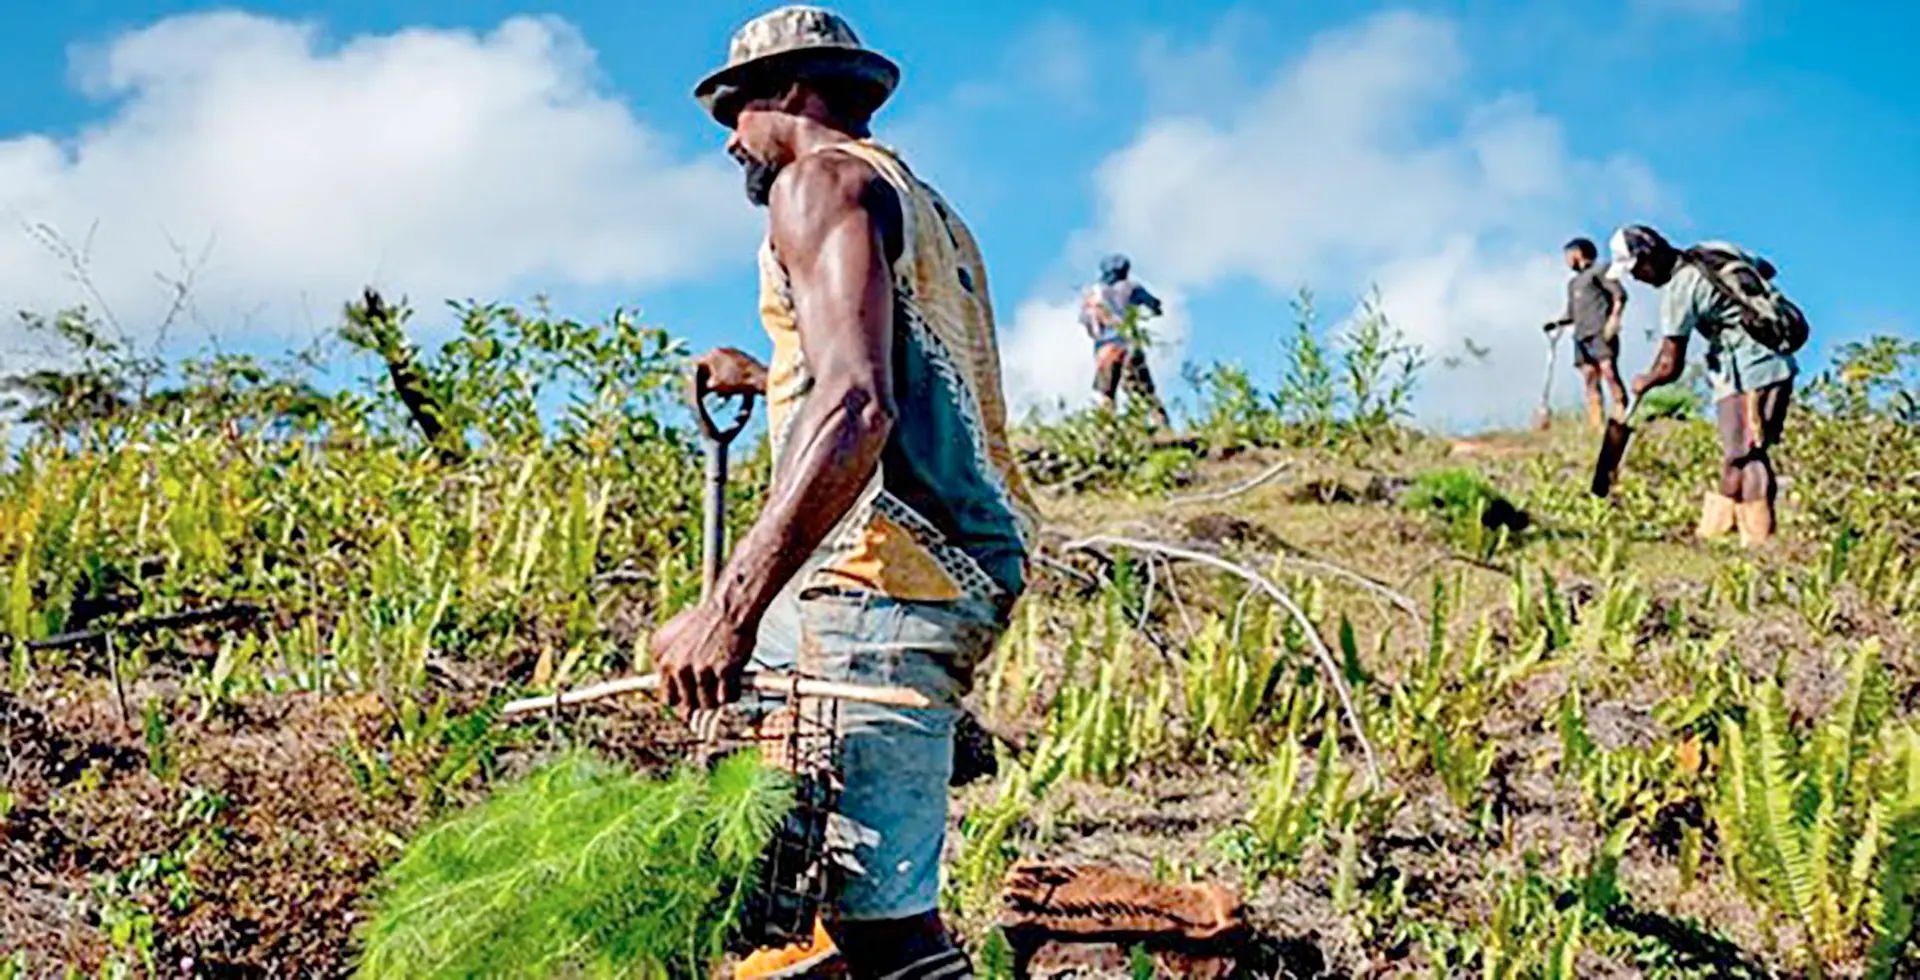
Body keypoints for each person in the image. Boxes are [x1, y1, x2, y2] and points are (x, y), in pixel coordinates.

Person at [663, 7, 1039, 978]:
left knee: (881, 926)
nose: (728, 142)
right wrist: (767, 374)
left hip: (881, 573)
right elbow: (880, 365)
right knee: (792, 870)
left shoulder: (815, 183)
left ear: (787, 93)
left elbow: (860, 403)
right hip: (943, 561)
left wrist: (729, 603)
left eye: (733, 114)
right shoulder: (914, 197)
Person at [1609, 223, 1798, 546]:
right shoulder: (1713, 250)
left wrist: (1645, 380)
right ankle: (1713, 536)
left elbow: (1670, 366)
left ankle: (1759, 542)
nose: (1637, 278)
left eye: (1635, 269)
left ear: (1649, 257)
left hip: (1746, 371)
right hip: (1776, 361)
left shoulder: (1679, 290)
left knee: (1750, 454)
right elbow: (1765, 268)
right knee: (1737, 453)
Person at [1545, 236, 1628, 429]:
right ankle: (1595, 421)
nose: (1567, 260)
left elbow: (1619, 295)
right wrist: (1557, 322)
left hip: (1600, 330)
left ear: (1578, 253)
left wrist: (1614, 320)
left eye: (1568, 255)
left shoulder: (1601, 271)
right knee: (1589, 376)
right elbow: (1571, 312)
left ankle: (1620, 411)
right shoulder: (1573, 284)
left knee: (1608, 371)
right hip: (1581, 334)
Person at [1080, 253, 1170, 427]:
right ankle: (1162, 426)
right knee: (1144, 390)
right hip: (1129, 344)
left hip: (1105, 349)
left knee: (1107, 394)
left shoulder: (1093, 293)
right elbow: (1155, 306)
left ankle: (1107, 432)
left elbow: (1087, 322)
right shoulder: (1132, 288)